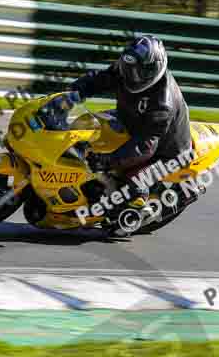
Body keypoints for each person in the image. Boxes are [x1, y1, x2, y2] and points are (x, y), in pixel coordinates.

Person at [67, 35, 193, 232]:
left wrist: (107, 160)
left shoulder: (162, 103)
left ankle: (138, 206)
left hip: (166, 150)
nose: (133, 76)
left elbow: (145, 146)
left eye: (139, 72)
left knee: (133, 176)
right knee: (87, 127)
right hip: (132, 122)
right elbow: (100, 80)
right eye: (130, 70)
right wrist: (73, 93)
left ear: (154, 69)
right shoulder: (125, 70)